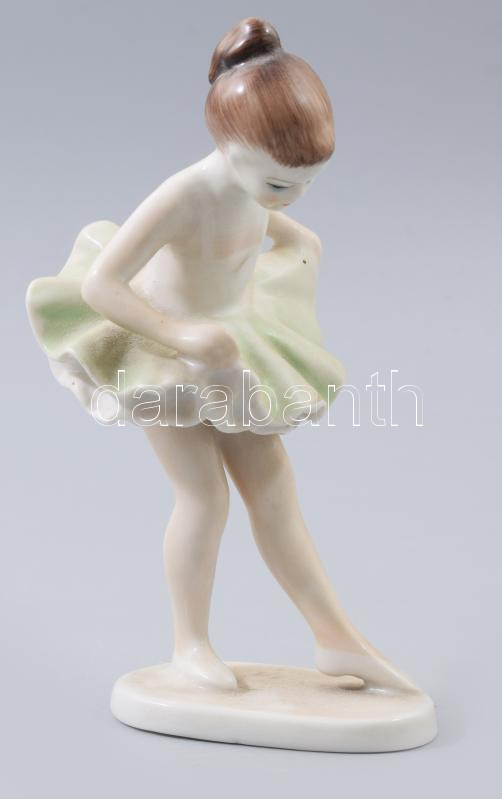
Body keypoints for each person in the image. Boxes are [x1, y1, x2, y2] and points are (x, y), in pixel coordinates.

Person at [27, 17, 416, 692]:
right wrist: (180, 335)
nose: (291, 196)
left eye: (306, 183)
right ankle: (190, 644)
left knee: (275, 489)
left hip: (232, 346)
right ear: (230, 148)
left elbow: (265, 215)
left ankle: (336, 637)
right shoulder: (183, 196)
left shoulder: (253, 183)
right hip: (167, 355)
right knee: (203, 497)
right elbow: (101, 286)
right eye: (279, 185)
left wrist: (294, 231)